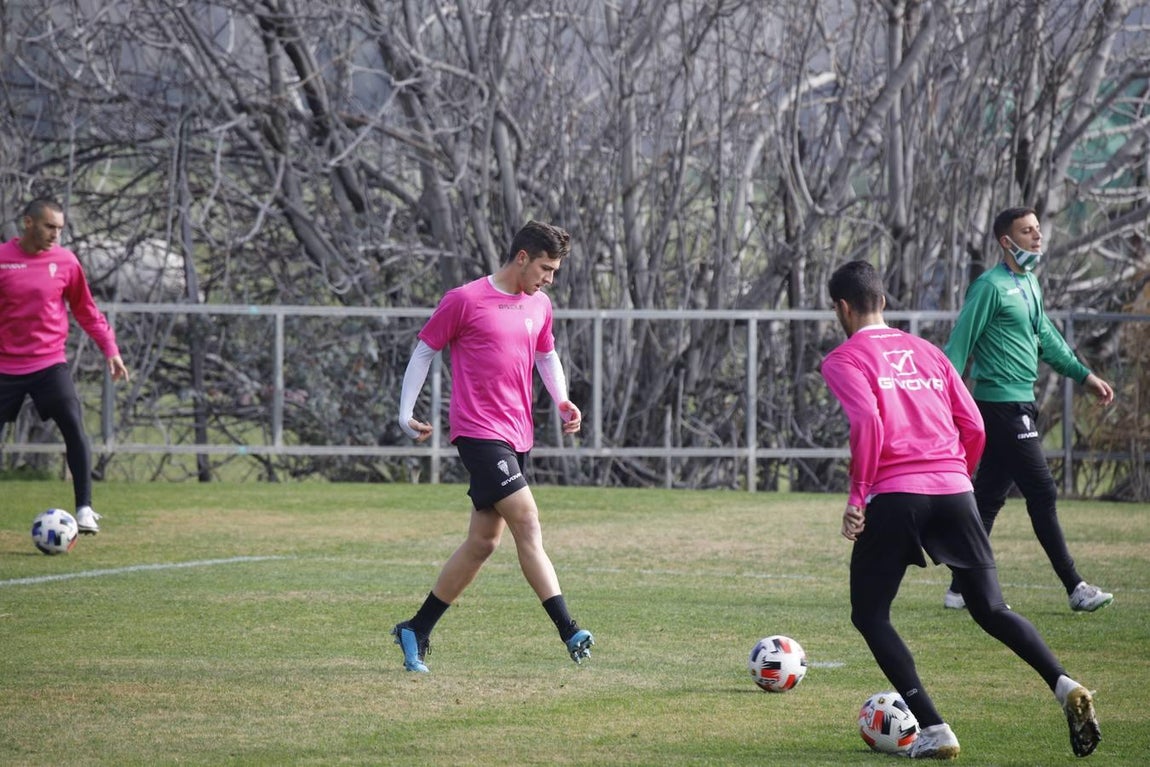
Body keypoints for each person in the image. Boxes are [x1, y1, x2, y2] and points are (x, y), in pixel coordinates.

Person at [821, 260, 1101, 759]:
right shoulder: (928, 352)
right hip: (954, 488)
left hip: (896, 494)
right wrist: (959, 480)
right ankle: (1064, 683)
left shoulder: (844, 359)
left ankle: (934, 728)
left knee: (870, 614)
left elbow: (868, 423)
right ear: (882, 301)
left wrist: (858, 496)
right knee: (991, 608)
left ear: (842, 308)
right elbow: (972, 424)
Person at [392, 220, 593, 673]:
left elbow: (546, 354)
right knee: (527, 519)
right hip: (478, 433)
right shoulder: (464, 300)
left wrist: (562, 399)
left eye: (554, 271)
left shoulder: (540, 305)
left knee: (483, 542)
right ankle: (569, 629)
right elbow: (424, 350)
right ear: (522, 257)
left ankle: (416, 628)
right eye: (545, 268)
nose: (549, 279)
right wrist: (405, 413)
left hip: (518, 434)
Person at [942, 207, 1114, 613]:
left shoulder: (1029, 282)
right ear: (1006, 241)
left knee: (988, 498)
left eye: (1038, 229)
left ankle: (959, 588)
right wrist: (940, 401)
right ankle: (1075, 586)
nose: (1037, 237)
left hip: (1021, 402)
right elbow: (958, 346)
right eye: (1027, 231)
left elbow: (1047, 338)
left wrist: (1084, 375)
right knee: (1042, 490)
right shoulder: (989, 287)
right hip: (1000, 405)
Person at [0, 198, 130, 534]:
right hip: (5, 367)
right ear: (28, 223)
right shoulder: (3, 259)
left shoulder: (66, 262)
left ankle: (84, 509)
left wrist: (110, 348)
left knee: (74, 425)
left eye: (59, 228)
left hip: (49, 363)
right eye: (49, 226)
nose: (55, 234)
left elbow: (86, 310)